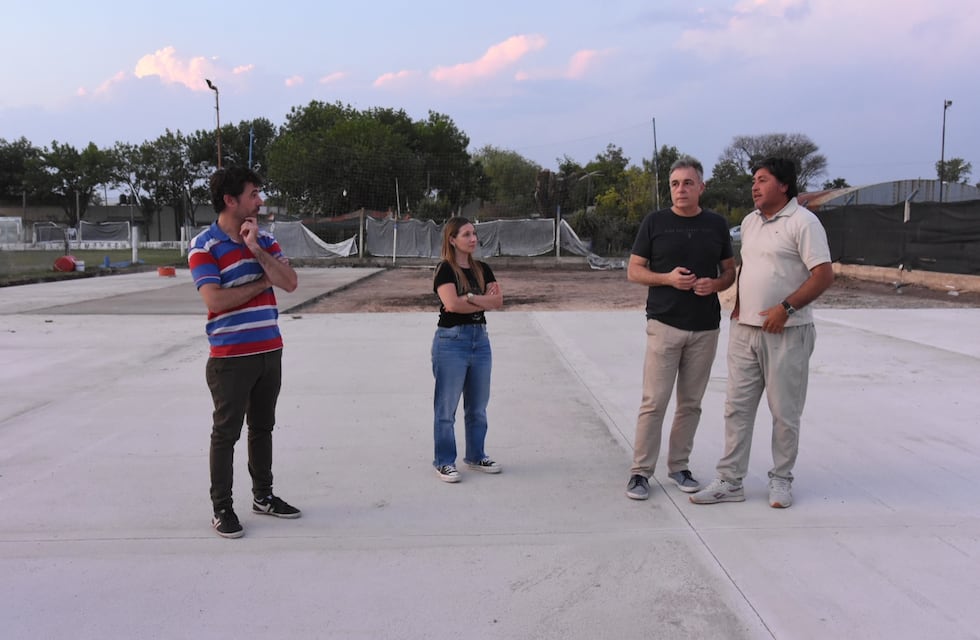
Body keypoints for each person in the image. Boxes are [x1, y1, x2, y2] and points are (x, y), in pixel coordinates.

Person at [690, 157, 834, 509]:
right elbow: (748, 269)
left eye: (763, 180)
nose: (755, 187)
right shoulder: (750, 222)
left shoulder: (803, 222)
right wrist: (738, 309)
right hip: (745, 331)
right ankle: (730, 480)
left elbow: (823, 275)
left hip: (788, 332)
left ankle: (781, 479)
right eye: (754, 180)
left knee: (785, 411)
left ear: (784, 185)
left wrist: (785, 309)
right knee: (735, 409)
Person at [188, 166, 301, 538]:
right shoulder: (204, 246)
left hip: (270, 350)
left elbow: (290, 283)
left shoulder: (264, 240)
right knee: (226, 434)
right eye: (254, 194)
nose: (260, 200)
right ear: (230, 200)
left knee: (262, 428)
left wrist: (254, 249)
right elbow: (216, 299)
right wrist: (263, 280)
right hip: (230, 358)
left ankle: (263, 496)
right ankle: (222, 507)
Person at [625, 156, 736, 500]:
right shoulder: (655, 223)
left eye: (688, 183)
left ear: (701, 187)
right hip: (664, 324)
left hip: (705, 329)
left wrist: (715, 285)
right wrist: (668, 279)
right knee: (654, 402)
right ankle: (641, 472)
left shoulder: (716, 225)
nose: (681, 189)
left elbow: (730, 271)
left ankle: (679, 467)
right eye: (675, 184)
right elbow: (634, 271)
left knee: (690, 403)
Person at [431, 217, 504, 483]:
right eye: (466, 234)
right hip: (451, 342)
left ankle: (475, 455)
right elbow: (451, 304)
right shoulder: (445, 270)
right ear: (452, 240)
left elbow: (497, 301)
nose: (473, 238)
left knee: (478, 407)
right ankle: (444, 461)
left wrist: (471, 298)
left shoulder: (483, 268)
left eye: (474, 233)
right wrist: (479, 300)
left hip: (480, 341)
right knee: (446, 408)